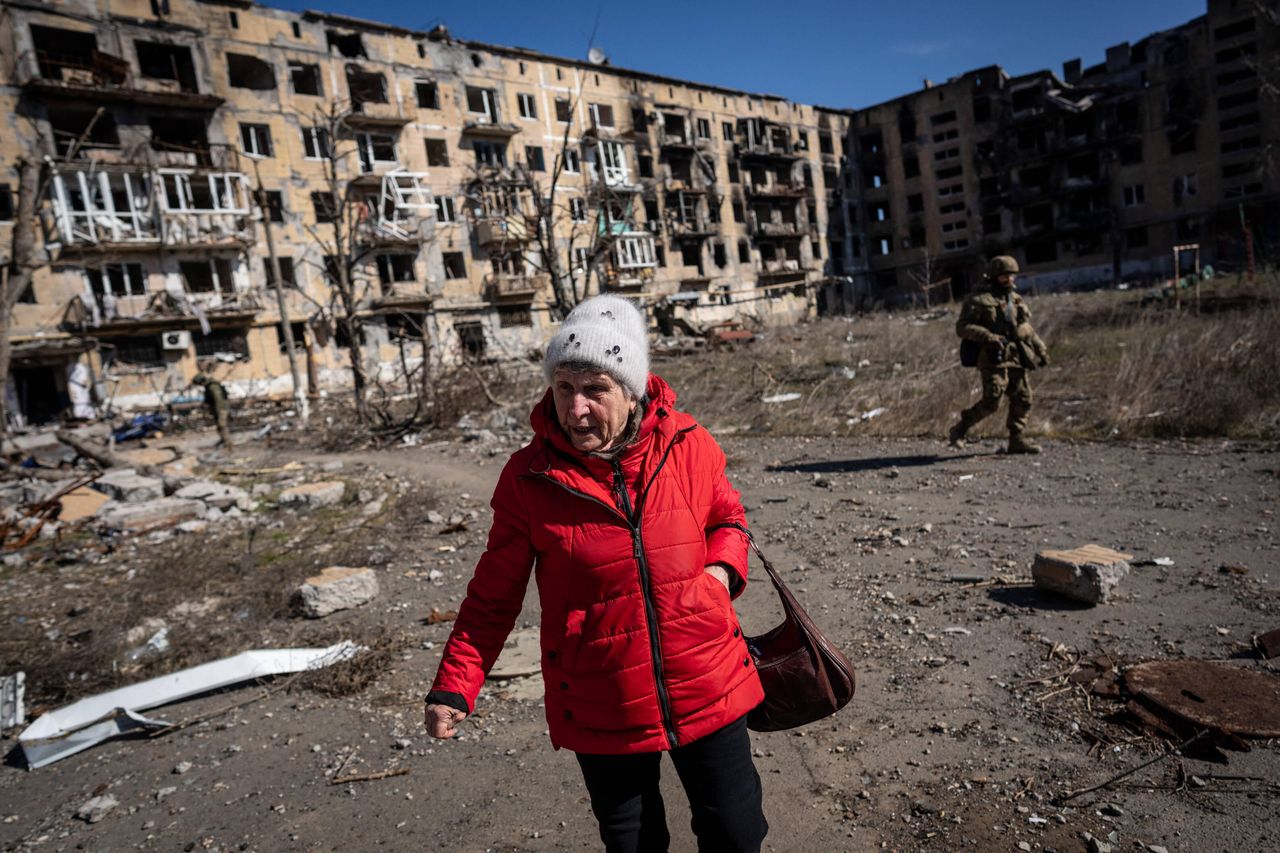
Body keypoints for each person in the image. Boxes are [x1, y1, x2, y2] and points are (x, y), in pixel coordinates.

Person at [425, 294, 768, 852]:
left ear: (631, 393)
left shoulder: (688, 444)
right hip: (600, 697)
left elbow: (728, 518)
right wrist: (455, 686)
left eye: (595, 390)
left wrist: (720, 574)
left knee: (736, 833)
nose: (576, 408)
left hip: (707, 676)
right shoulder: (529, 479)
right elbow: (492, 598)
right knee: (634, 846)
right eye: (564, 388)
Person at [949, 256, 1050, 454]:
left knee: (1023, 398)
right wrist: (987, 336)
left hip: (1017, 356)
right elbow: (962, 327)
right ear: (994, 276)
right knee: (992, 401)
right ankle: (960, 428)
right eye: (1005, 276)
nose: (1009, 280)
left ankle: (1017, 439)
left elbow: (1026, 328)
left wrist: (1041, 350)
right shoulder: (978, 300)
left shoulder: (1015, 299)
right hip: (992, 357)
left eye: (1012, 276)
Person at [192, 372, 233, 447]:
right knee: (219, 425)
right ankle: (223, 440)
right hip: (217, 408)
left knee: (222, 425)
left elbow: (218, 399)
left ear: (201, 381)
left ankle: (228, 444)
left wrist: (219, 411)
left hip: (221, 408)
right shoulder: (208, 386)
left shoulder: (213, 386)